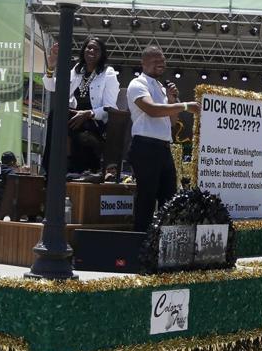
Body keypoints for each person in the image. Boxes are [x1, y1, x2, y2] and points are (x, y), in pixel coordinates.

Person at [127, 45, 198, 233]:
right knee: (147, 198)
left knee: (169, 198)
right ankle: (140, 242)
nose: (161, 63)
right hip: (145, 146)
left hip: (164, 147)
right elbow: (152, 110)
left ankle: (164, 245)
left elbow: (172, 122)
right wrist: (184, 106)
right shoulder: (137, 84)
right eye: (155, 60)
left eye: (163, 60)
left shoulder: (161, 87)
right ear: (143, 63)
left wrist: (172, 99)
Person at [43, 36, 120, 175]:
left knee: (66, 119)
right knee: (55, 113)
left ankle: (77, 168)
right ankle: (49, 169)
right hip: (74, 117)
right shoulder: (77, 71)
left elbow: (110, 108)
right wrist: (51, 66)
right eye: (89, 47)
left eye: (96, 49)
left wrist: (88, 113)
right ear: (83, 50)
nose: (91, 50)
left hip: (95, 121)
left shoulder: (108, 73)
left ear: (102, 54)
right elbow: (52, 86)